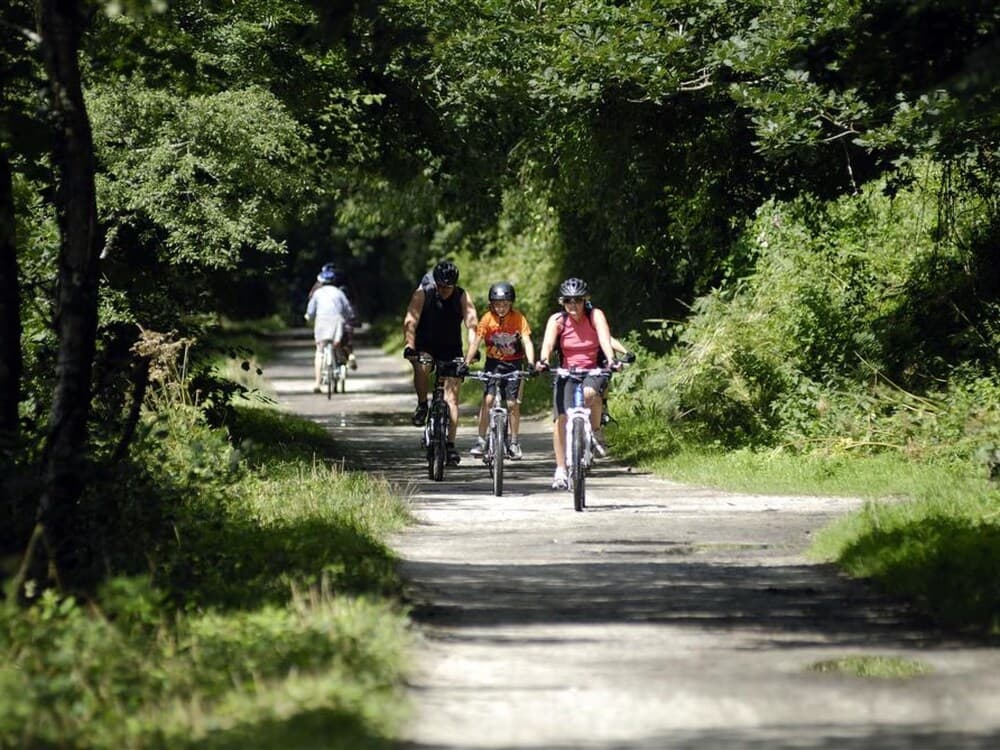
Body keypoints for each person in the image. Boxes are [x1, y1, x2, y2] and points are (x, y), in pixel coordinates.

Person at [534, 277, 619, 490]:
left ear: (585, 301)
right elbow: (548, 344)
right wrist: (543, 361)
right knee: (561, 418)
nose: (574, 306)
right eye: (569, 301)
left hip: (593, 369)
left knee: (590, 394)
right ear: (562, 302)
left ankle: (595, 430)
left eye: (578, 301)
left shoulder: (595, 315)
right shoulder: (557, 320)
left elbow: (604, 339)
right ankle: (561, 469)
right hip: (567, 372)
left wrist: (611, 360)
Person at [402, 260, 478, 466]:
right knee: (422, 366)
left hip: (451, 348)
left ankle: (450, 445)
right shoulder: (423, 293)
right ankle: (422, 404)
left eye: (448, 287)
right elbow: (410, 321)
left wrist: (473, 351)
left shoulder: (461, 296)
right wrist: (410, 347)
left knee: (452, 399)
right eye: (441, 286)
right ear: (435, 283)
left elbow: (472, 324)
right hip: (426, 344)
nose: (444, 290)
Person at [464, 282, 535, 461]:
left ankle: (514, 442)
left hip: (514, 365)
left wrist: (532, 363)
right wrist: (466, 362)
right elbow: (476, 342)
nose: (501, 308)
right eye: (497, 304)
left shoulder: (518, 318)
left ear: (511, 304)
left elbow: (527, 341)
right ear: (492, 304)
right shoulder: (487, 319)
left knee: (512, 404)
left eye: (505, 304)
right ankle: (481, 440)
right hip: (493, 364)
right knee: (488, 400)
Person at [306, 267, 356, 393]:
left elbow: (310, 312)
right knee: (337, 344)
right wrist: (350, 317)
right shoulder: (339, 293)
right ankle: (341, 364)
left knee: (320, 351)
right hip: (336, 322)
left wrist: (308, 317)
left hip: (321, 322)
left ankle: (317, 384)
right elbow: (348, 310)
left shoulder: (317, 293)